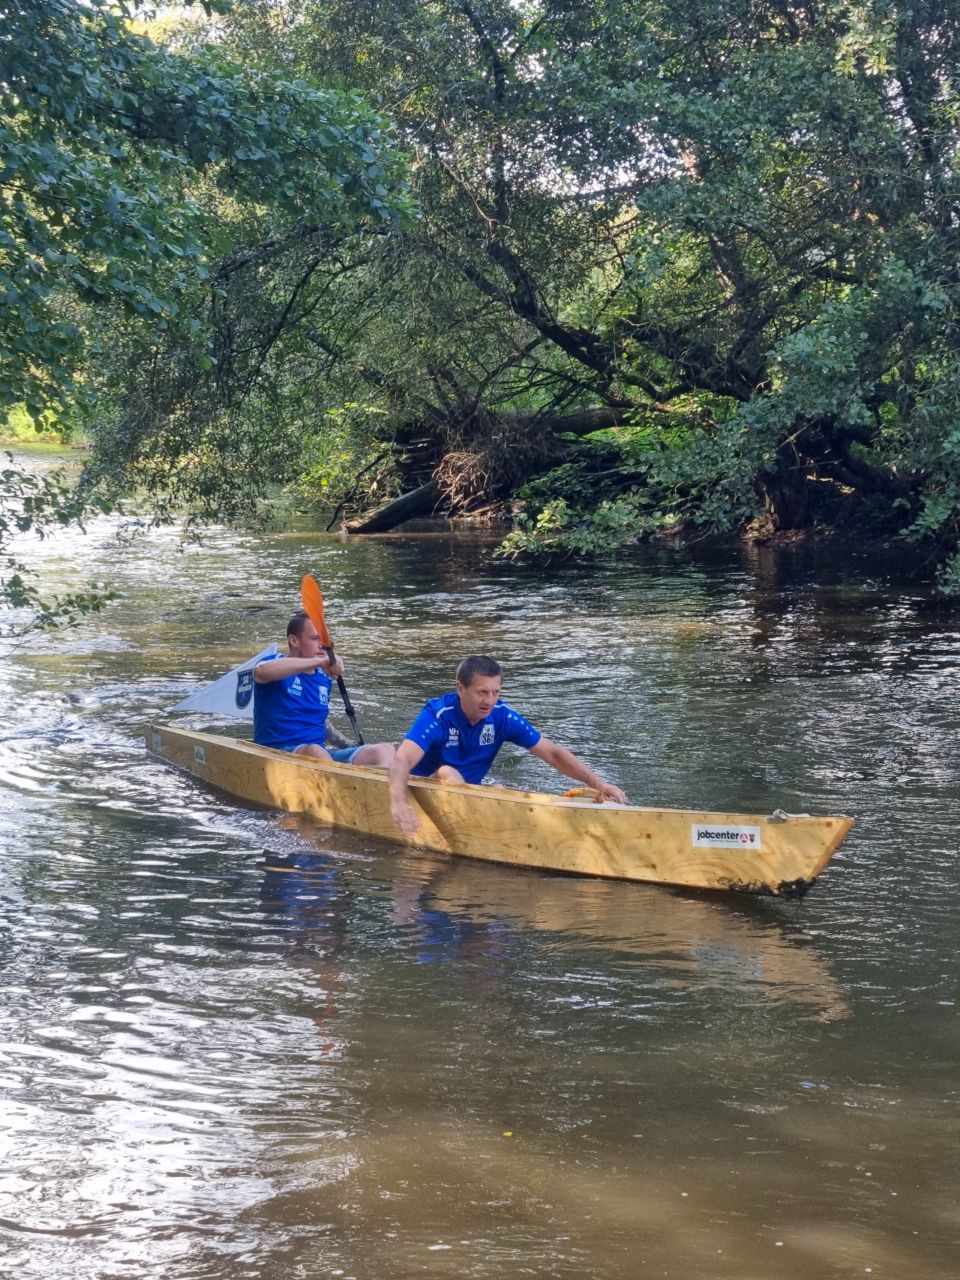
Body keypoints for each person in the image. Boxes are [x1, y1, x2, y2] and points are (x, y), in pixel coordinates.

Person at [388, 655, 627, 834]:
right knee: (447, 772)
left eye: (495, 692)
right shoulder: (438, 715)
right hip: (422, 788)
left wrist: (598, 783)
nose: (490, 701)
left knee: (500, 789)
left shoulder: (501, 716)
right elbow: (403, 759)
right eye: (482, 692)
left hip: (469, 796)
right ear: (460, 689)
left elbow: (552, 754)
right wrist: (398, 803)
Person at [253, 612, 395, 766]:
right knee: (315, 751)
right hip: (277, 754)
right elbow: (260, 672)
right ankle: (343, 785)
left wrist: (350, 745)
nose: (322, 645)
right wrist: (318, 662)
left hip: (320, 757)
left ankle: (381, 788)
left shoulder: (323, 679)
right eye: (315, 638)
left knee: (385, 750)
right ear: (294, 641)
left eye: (324, 639)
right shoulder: (275, 664)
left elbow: (321, 723)